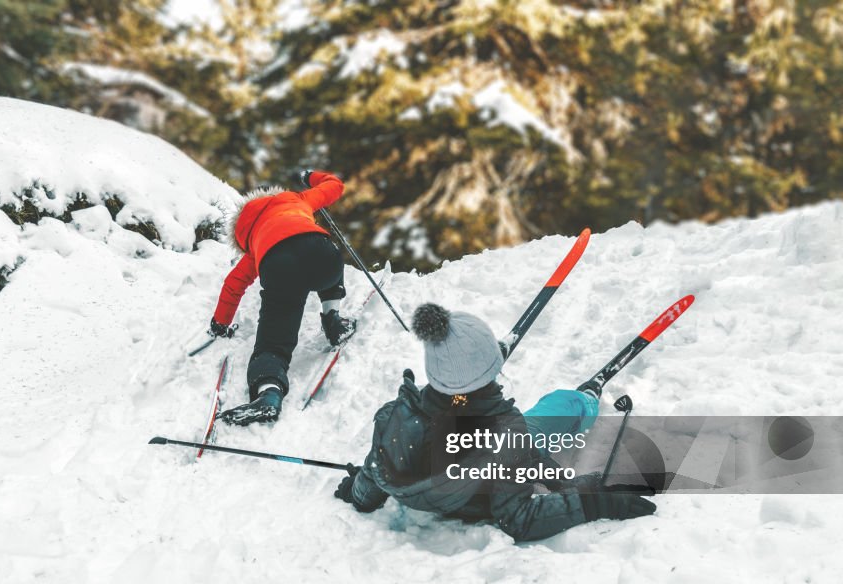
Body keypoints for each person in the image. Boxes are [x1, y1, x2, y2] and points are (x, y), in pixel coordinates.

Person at [332, 302, 656, 543]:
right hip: (480, 487)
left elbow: (374, 476)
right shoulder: (508, 434)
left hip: (458, 475)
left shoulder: (397, 414)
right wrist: (593, 502)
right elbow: (519, 519)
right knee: (557, 407)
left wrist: (356, 491)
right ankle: (587, 397)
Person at [209, 171, 356, 426]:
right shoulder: (297, 200)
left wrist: (220, 324)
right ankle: (333, 320)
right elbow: (335, 185)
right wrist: (310, 176)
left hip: (280, 267)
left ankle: (269, 393)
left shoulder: (255, 241)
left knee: (273, 343)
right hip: (325, 256)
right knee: (325, 260)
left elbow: (233, 285)